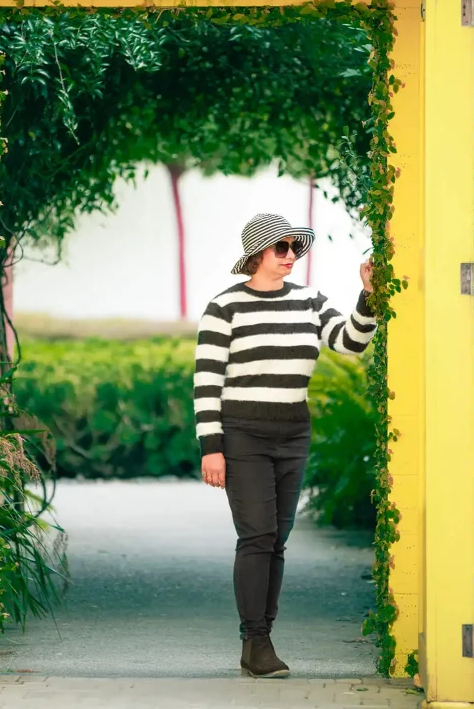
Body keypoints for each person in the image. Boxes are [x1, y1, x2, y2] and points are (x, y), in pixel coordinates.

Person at [194, 212, 377, 679]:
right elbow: (207, 381)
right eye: (283, 248)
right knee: (256, 536)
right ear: (258, 253)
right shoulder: (224, 308)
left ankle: (261, 638)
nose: (292, 255)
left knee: (277, 539)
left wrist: (369, 296)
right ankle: (256, 641)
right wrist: (211, 446)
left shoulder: (311, 302)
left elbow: (350, 342)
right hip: (242, 434)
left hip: (294, 431)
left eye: (297, 247)